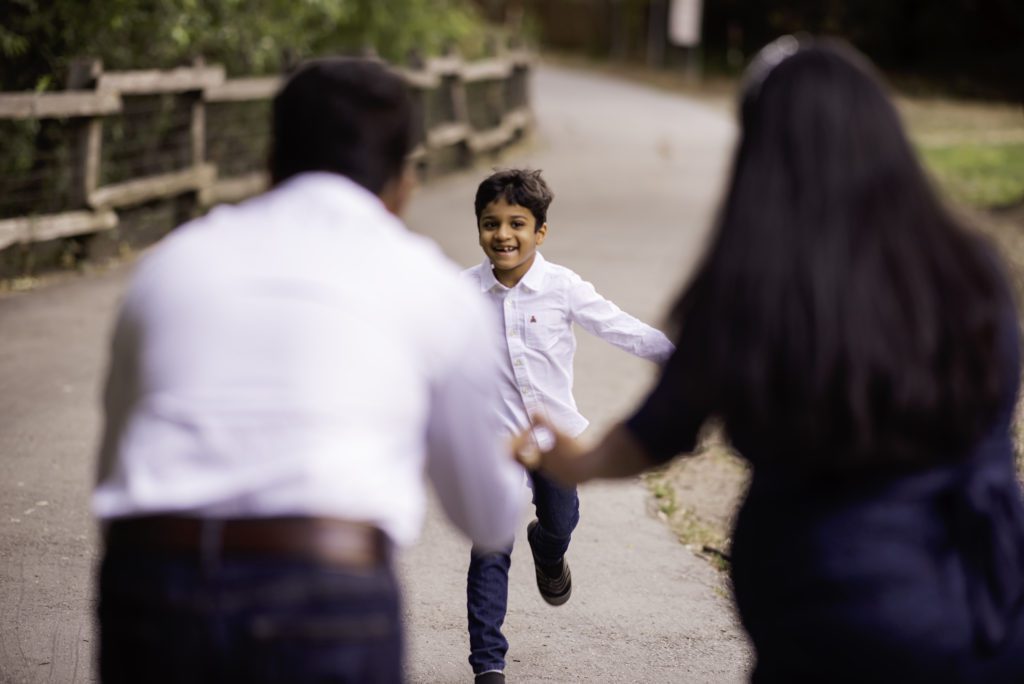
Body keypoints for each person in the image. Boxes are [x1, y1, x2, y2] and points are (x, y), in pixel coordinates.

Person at [515, 37, 1024, 683]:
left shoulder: (755, 281)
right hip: (985, 600)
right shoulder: (972, 269)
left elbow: (658, 431)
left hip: (822, 606)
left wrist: (574, 462)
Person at [92, 57, 524, 684]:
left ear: (271, 160)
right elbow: (487, 517)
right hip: (325, 593)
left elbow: (114, 460)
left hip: (153, 581)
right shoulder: (431, 287)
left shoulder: (172, 264)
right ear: (405, 180)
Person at [462, 168, 675, 683]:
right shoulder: (462, 292)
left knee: (561, 520)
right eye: (491, 223)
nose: (503, 235)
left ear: (540, 232)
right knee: (489, 547)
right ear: (480, 228)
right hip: (495, 444)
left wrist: (684, 362)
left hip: (554, 443)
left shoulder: (561, 287)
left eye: (517, 223)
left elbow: (617, 325)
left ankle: (549, 549)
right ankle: (488, 663)